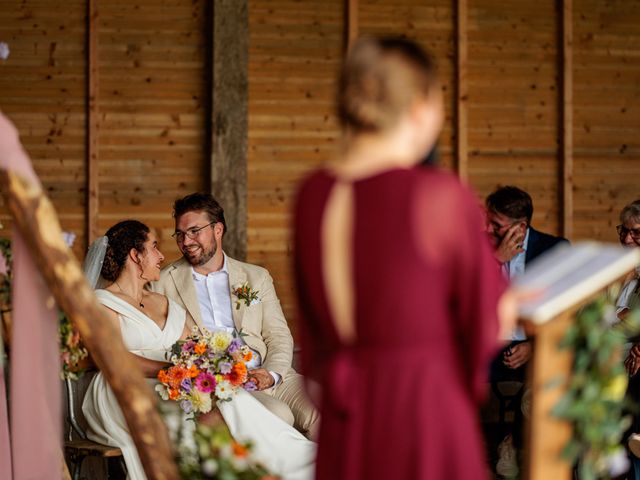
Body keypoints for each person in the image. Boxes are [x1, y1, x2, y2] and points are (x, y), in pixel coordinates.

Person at [293, 36, 518, 480]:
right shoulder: (436, 196)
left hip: (346, 409)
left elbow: (314, 324)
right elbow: (483, 322)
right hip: (422, 408)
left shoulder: (314, 194)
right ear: (420, 107)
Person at [82, 220, 316, 480]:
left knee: (230, 401)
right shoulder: (102, 302)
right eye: (154, 247)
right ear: (136, 255)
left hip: (176, 384)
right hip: (126, 388)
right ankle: (242, 473)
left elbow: (196, 345)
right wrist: (172, 370)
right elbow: (111, 358)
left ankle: (293, 465)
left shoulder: (162, 302)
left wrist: (214, 365)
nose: (162, 256)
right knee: (203, 410)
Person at [151, 193, 319, 439]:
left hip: (274, 376)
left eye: (195, 231)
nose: (186, 241)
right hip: (220, 385)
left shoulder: (256, 277)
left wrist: (270, 374)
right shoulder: (163, 282)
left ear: (218, 229)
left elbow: (279, 335)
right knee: (279, 416)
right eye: (180, 234)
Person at [484, 185, 568, 476]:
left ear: (520, 227)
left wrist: (535, 345)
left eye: (497, 225)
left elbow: (565, 312)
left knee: (542, 391)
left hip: (535, 347)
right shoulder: (479, 248)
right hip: (488, 347)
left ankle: (515, 444)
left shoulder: (555, 250)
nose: (488, 228)